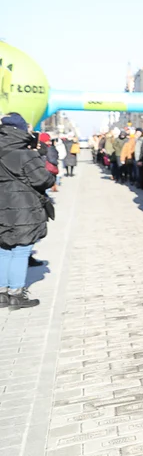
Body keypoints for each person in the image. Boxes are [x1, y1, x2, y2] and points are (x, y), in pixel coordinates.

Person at [0, 114, 55, 309]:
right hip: (24, 208)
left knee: (4, 249)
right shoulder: (26, 154)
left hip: (1, 207)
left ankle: (2, 293)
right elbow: (43, 180)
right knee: (21, 250)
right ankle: (16, 294)